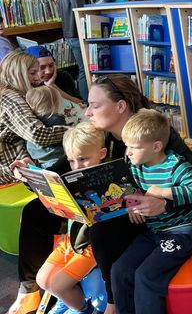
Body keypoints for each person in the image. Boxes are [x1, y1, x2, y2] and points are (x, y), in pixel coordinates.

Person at [8, 75, 192, 314]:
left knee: (102, 228)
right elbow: (58, 172)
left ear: (120, 106)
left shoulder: (149, 132)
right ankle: (31, 288)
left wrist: (163, 202)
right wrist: (30, 173)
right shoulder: (98, 134)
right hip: (112, 206)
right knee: (34, 210)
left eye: (95, 105)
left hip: (150, 215)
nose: (87, 113)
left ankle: (113, 303)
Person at [112, 109, 192, 314]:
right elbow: (131, 190)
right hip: (154, 232)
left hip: (183, 231)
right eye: (126, 145)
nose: (127, 152)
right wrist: (132, 205)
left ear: (156, 147)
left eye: (134, 147)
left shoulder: (176, 166)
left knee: (146, 276)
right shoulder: (136, 166)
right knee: (120, 270)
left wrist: (164, 192)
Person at [36, 123, 108, 314]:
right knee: (42, 280)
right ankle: (72, 302)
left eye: (83, 159)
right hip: (71, 239)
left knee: (59, 286)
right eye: (72, 160)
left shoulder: (108, 180)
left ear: (101, 153)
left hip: (91, 245)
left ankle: (83, 310)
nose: (77, 166)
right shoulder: (70, 177)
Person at [0, 51, 67, 185]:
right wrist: (73, 131)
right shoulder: (12, 99)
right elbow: (38, 135)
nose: (39, 77)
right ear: (17, 74)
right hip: (12, 169)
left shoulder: (10, 94)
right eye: (32, 73)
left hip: (19, 162)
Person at [58, 0, 91, 101]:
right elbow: (80, 10)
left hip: (69, 32)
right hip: (78, 33)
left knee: (83, 69)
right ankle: (87, 101)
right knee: (86, 70)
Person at [25, 85, 66, 168]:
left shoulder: (32, 122)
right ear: (54, 103)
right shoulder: (56, 119)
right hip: (58, 159)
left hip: (40, 161)